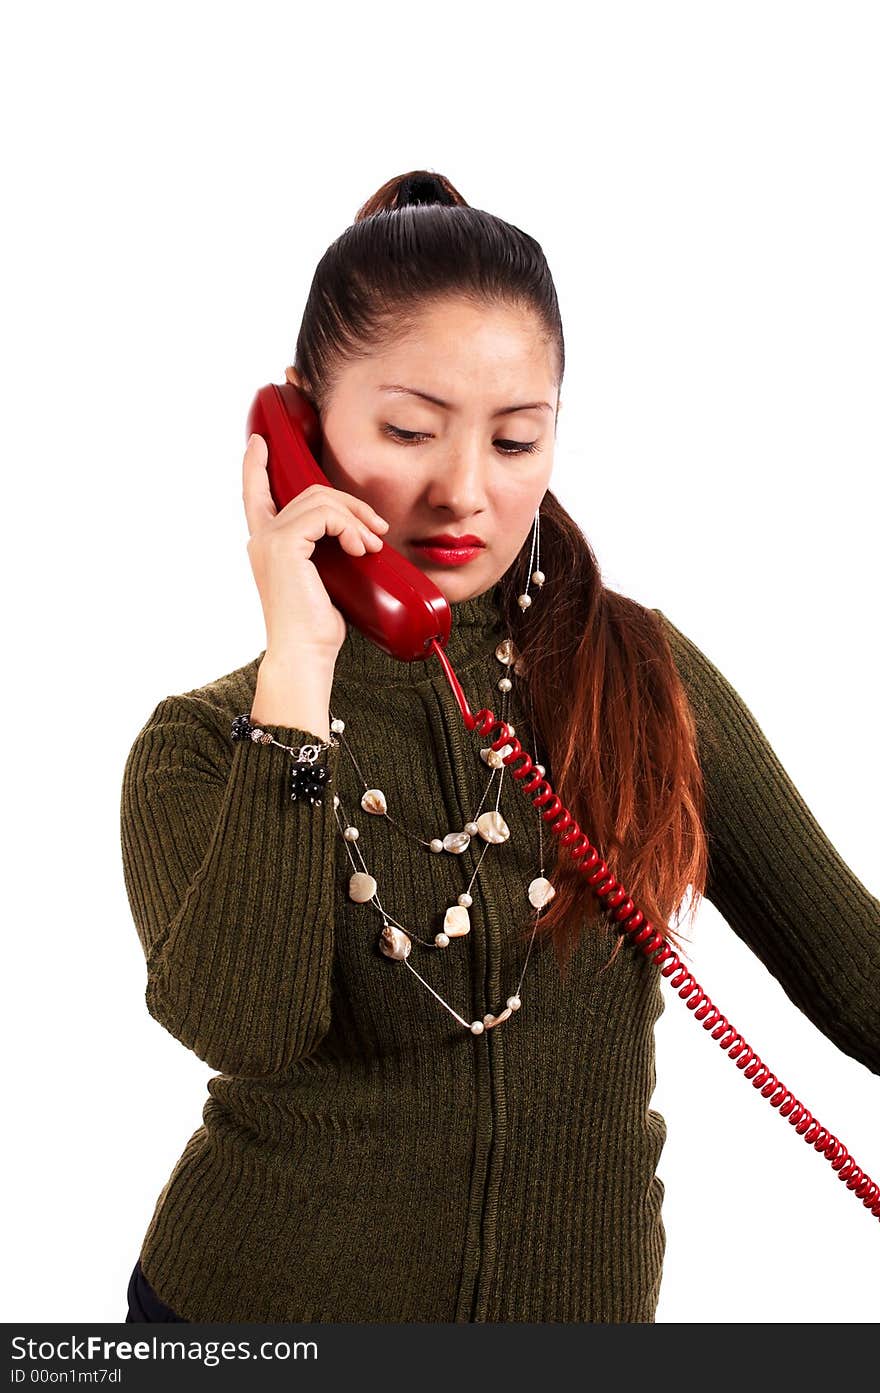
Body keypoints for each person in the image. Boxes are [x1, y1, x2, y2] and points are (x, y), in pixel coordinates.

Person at [120, 169, 879, 1324]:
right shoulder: (202, 746)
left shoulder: (636, 679)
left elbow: (858, 977)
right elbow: (248, 1030)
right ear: (295, 429)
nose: (463, 490)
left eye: (517, 439)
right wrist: (299, 675)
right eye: (410, 431)